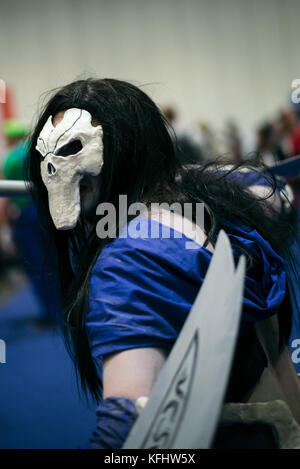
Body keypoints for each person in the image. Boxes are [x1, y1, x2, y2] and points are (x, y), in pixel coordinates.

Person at [26, 78, 300, 449]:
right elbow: (272, 197)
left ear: (125, 151)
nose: (52, 170)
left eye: (72, 148)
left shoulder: (132, 259)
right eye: (46, 156)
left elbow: (129, 428)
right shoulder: (211, 211)